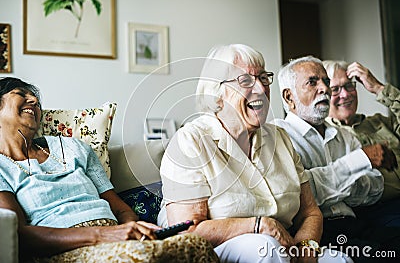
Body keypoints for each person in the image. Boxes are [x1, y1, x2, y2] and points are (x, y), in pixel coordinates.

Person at [157, 44, 352, 262]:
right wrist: (259, 225)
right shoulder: (191, 141)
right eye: (246, 81)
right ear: (218, 92)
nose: (261, 89)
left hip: (286, 246)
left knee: (340, 260)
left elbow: (310, 213)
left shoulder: (280, 137)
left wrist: (306, 247)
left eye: (263, 78)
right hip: (222, 250)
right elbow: (187, 231)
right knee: (265, 248)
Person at [0, 77, 219, 263]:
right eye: (21, 94)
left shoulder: (74, 147)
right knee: (137, 258)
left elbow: (120, 209)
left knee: (196, 245)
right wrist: (102, 235)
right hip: (62, 249)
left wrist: (133, 228)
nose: (35, 101)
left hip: (116, 236)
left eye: (36, 100)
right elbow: (19, 235)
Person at [273, 56, 399, 262]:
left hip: (356, 223)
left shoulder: (345, 136)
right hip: (318, 233)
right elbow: (301, 194)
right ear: (289, 97)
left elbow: (374, 188)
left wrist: (331, 181)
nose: (324, 88)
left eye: (326, 81)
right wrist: (359, 162)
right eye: (312, 82)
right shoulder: (279, 136)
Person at [323, 60, 400, 229]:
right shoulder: (326, 135)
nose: (345, 95)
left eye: (349, 86)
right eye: (335, 89)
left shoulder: (379, 122)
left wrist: (379, 88)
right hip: (378, 212)